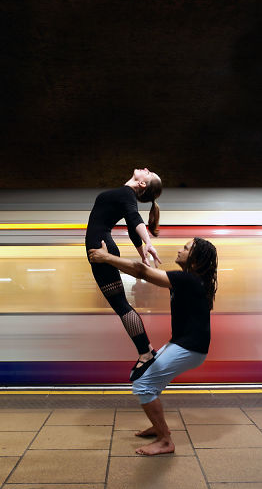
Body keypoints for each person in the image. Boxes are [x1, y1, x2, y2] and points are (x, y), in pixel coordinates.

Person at [88, 236, 218, 455]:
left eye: (185, 248)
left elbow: (141, 272)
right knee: (149, 382)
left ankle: (165, 440)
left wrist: (106, 257)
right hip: (185, 344)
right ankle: (159, 428)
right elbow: (145, 271)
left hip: (190, 348)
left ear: (195, 260)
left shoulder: (189, 280)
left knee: (143, 384)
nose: (180, 249)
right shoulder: (194, 280)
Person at [86, 168, 164, 381]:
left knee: (122, 306)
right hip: (103, 247)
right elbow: (131, 227)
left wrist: (148, 243)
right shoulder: (125, 195)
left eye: (149, 173)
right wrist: (142, 252)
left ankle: (145, 353)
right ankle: (146, 348)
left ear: (142, 184)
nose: (145, 169)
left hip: (100, 249)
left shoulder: (127, 194)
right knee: (121, 306)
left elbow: (134, 217)